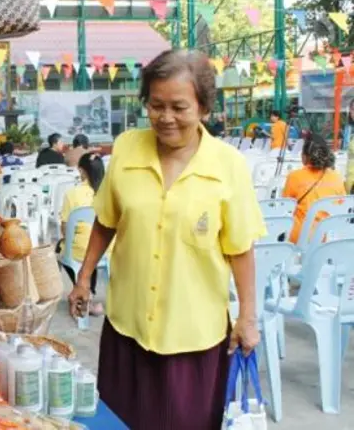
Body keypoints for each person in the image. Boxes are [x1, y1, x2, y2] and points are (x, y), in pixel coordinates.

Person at [68, 50, 264, 430]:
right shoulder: (127, 148)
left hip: (193, 338)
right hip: (128, 327)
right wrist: (83, 278)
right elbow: (107, 219)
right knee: (118, 421)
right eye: (156, 105)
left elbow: (240, 249)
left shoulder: (228, 166)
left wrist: (247, 318)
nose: (166, 117)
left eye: (179, 107)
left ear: (204, 108)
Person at [58, 152, 106, 315]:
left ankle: (85, 295)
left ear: (81, 171)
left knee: (65, 249)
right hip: (107, 251)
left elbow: (65, 228)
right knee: (93, 247)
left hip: (78, 251)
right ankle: (89, 294)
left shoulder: (72, 193)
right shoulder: (109, 192)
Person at [282, 134, 346, 244]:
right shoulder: (337, 178)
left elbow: (285, 207)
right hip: (329, 240)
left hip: (301, 239)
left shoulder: (294, 177)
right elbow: (342, 206)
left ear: (304, 156)